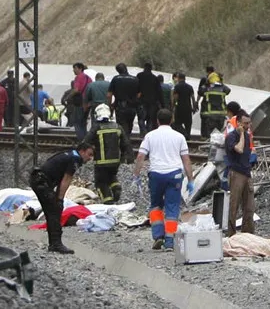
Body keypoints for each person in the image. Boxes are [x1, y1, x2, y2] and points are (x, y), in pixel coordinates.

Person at [132, 108, 195, 250]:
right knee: (172, 208)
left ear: (157, 120)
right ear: (172, 119)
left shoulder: (150, 136)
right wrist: (190, 179)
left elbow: (141, 156)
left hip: (156, 175)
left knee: (155, 206)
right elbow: (186, 159)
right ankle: (169, 241)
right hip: (174, 175)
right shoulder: (179, 137)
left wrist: (136, 174)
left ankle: (158, 236)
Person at [30, 143, 94, 254]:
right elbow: (66, 180)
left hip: (39, 179)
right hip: (42, 182)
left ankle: (54, 243)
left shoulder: (69, 154)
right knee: (54, 211)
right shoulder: (75, 159)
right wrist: (60, 199)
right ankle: (56, 244)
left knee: (51, 211)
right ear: (82, 151)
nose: (90, 158)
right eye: (89, 154)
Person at [83, 104, 132, 203]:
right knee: (111, 176)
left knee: (101, 183)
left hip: (101, 162)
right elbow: (126, 144)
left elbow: (85, 142)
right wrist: (126, 157)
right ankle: (116, 187)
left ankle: (108, 202)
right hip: (115, 162)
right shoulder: (118, 127)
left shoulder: (96, 128)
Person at [225, 110, 256, 236]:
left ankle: (247, 233)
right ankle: (231, 234)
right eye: (245, 123)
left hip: (246, 173)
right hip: (236, 173)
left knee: (249, 207)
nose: (247, 126)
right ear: (238, 123)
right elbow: (239, 149)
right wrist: (242, 134)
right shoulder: (231, 137)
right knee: (234, 206)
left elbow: (248, 152)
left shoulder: (248, 136)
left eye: (249, 123)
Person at [108, 63, 141, 135]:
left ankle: (124, 142)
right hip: (132, 106)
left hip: (120, 106)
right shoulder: (135, 79)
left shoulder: (116, 78)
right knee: (129, 124)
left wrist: (110, 105)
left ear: (118, 71)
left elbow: (109, 94)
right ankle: (127, 139)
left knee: (121, 126)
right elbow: (139, 94)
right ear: (126, 68)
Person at [137, 63, 163, 133]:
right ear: (151, 69)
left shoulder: (139, 76)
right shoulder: (155, 78)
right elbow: (159, 92)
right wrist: (162, 105)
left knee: (141, 119)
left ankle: (143, 132)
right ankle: (148, 133)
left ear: (144, 68)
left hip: (141, 102)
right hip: (152, 103)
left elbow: (136, 88)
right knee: (150, 120)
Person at [71, 63, 92, 140]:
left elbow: (76, 90)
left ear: (80, 69)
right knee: (83, 124)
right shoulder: (88, 78)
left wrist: (68, 96)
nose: (73, 70)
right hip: (87, 103)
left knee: (77, 123)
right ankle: (85, 141)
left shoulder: (78, 77)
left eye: (75, 68)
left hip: (79, 103)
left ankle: (81, 142)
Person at [172, 72, 196, 138]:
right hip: (188, 108)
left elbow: (175, 98)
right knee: (188, 124)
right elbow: (193, 98)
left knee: (177, 124)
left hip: (179, 108)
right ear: (185, 79)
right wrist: (194, 107)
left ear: (179, 78)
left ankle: (184, 134)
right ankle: (187, 136)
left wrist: (173, 106)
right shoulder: (190, 87)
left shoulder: (177, 86)